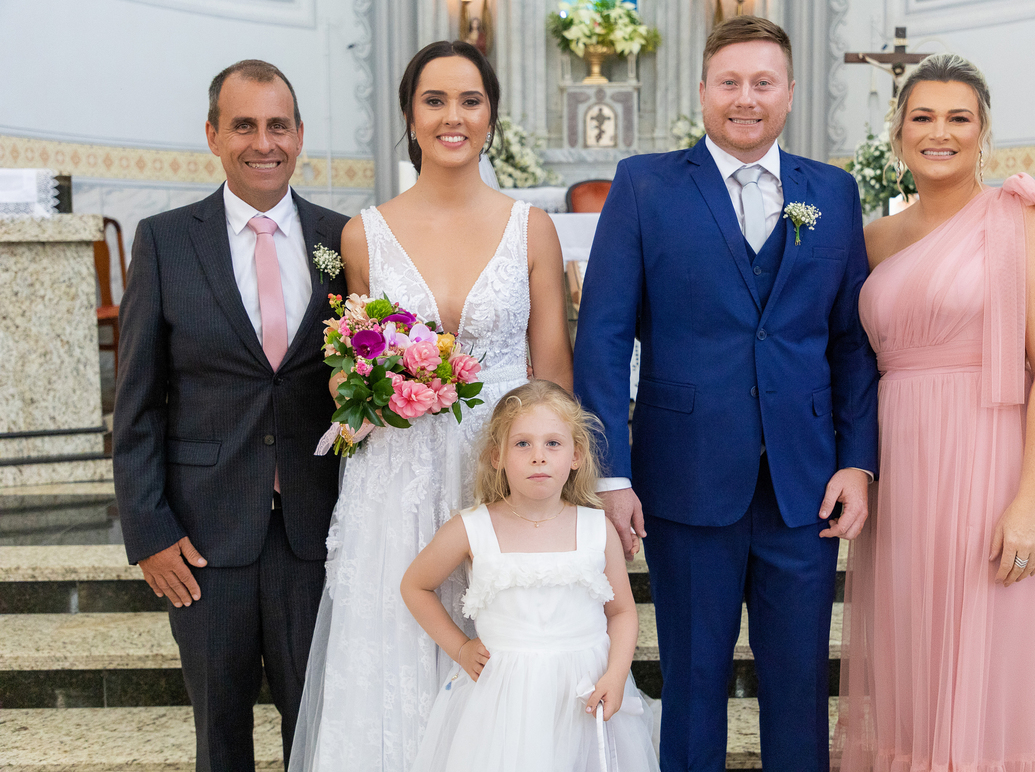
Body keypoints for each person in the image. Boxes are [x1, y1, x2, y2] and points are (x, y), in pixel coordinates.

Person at [574, 16, 879, 772]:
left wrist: (857, 461)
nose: (747, 98)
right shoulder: (644, 185)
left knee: (800, 685)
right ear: (704, 91)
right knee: (693, 679)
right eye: (730, 82)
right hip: (685, 478)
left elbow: (851, 342)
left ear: (790, 93)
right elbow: (604, 335)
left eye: (763, 82)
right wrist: (610, 474)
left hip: (804, 483)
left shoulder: (833, 192)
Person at [290, 41, 573, 771]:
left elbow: (553, 379)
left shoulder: (532, 228)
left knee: (498, 653)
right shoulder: (363, 234)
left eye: (470, 101)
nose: (454, 117)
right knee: (395, 650)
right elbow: (344, 370)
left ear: (491, 117)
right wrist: (371, 392)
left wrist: (562, 497)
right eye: (435, 100)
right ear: (410, 117)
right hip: (397, 479)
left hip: (501, 474)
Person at [835, 54, 1035, 771]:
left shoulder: (1025, 221)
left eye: (958, 118)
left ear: (983, 132)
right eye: (922, 117)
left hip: (992, 462)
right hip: (904, 474)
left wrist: (1031, 500)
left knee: (988, 647)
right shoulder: (874, 239)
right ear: (898, 132)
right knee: (913, 653)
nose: (938, 133)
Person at [114, 59, 349, 771]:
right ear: (213, 135)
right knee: (220, 731)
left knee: (318, 726)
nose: (263, 142)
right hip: (203, 536)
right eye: (244, 125)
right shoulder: (164, 241)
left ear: (300, 134)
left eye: (278, 125)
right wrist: (149, 532)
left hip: (317, 529)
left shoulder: (345, 241)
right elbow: (136, 403)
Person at [400, 380, 659, 771]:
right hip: (502, 699)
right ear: (497, 456)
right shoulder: (471, 528)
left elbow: (621, 611)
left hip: (584, 694)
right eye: (522, 444)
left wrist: (617, 674)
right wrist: (460, 648)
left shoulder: (597, 528)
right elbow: (415, 585)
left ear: (576, 455)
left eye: (553, 443)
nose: (539, 457)